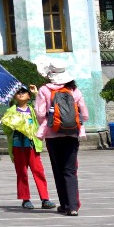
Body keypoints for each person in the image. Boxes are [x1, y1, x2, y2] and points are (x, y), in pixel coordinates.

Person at [38, 61, 88, 216]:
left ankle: (65, 205)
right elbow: (84, 114)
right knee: (70, 171)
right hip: (72, 134)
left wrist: (49, 123)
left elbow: (40, 113)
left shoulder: (44, 90)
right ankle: (73, 206)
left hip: (53, 135)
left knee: (58, 170)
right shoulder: (74, 90)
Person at [0, 89, 50, 210]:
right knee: (22, 173)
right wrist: (12, 125)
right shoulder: (10, 111)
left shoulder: (32, 110)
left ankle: (45, 198)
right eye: (18, 92)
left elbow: (42, 112)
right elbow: (6, 130)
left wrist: (37, 94)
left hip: (32, 146)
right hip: (18, 146)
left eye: (24, 92)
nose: (21, 94)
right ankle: (25, 199)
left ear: (28, 96)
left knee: (39, 172)